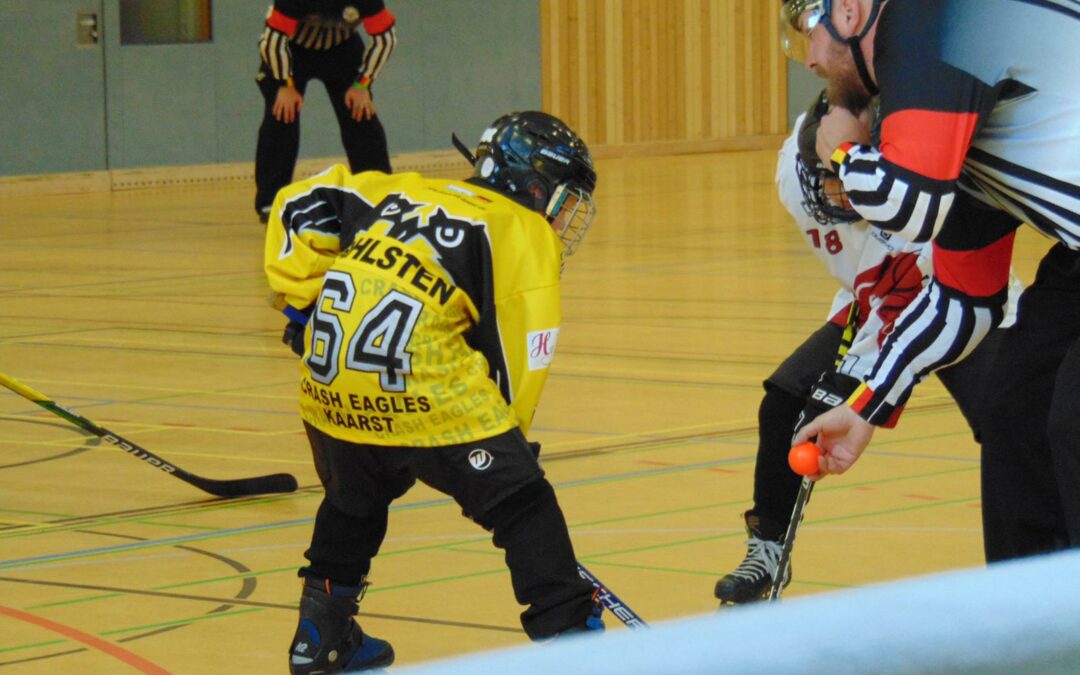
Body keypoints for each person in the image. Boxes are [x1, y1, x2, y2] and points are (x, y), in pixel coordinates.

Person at [264, 111, 603, 673]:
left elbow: (300, 203)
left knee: (354, 498)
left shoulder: (398, 189)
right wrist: (512, 440)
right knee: (524, 506)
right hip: (427, 392)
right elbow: (520, 346)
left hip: (327, 386)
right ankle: (572, 640)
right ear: (534, 183)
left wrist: (302, 302)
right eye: (562, 198)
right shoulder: (521, 229)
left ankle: (320, 634)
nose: (562, 216)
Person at [778, 0, 1080, 562]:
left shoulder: (933, 17)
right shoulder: (960, 119)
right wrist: (867, 405)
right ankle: (1037, 621)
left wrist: (840, 151)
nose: (810, 62)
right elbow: (961, 304)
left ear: (848, 11)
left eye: (808, 37)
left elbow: (906, 202)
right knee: (1016, 406)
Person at [714, 90, 1021, 603]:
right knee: (784, 402)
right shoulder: (796, 171)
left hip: (954, 300)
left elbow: (906, 310)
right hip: (869, 294)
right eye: (824, 177)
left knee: (1012, 422)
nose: (833, 193)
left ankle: (1036, 559)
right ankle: (768, 546)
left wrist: (853, 381)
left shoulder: (917, 193)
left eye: (843, 178)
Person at [254, 0, 397, 224]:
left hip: (342, 48)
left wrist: (362, 85)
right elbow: (273, 42)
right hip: (292, 48)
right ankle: (270, 200)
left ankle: (379, 193)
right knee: (282, 114)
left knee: (361, 115)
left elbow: (385, 39)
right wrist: (285, 84)